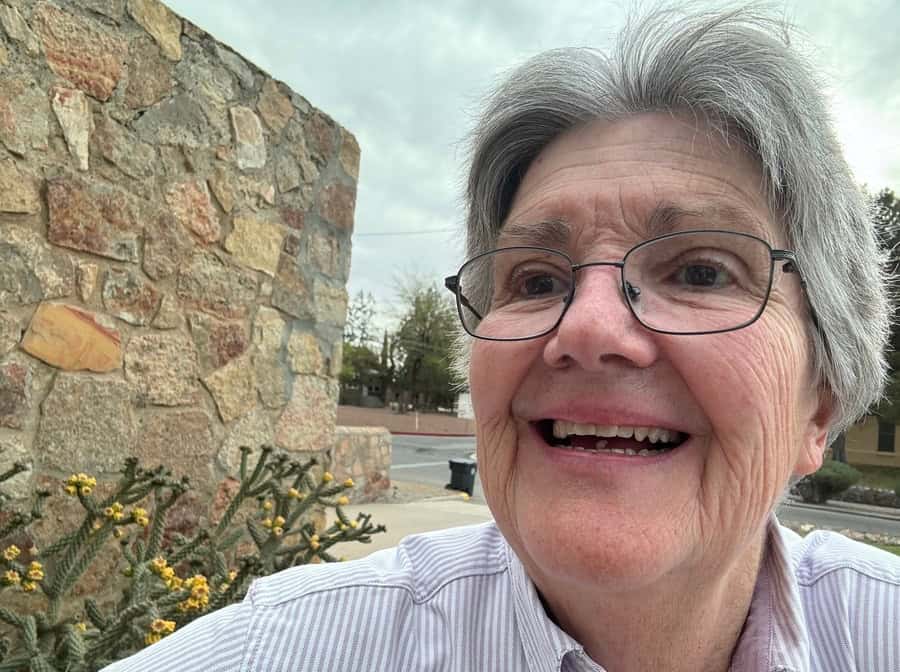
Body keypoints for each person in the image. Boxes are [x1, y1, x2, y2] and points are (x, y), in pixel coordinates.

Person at [107, 6, 899, 671]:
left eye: (699, 272)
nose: (586, 325)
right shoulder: (294, 649)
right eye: (537, 281)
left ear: (819, 408)